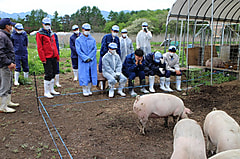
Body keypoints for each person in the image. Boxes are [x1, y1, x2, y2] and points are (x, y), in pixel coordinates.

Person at [36, 17, 60, 98]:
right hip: (47, 57)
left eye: (48, 24)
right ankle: (46, 91)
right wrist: (43, 58)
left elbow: (55, 45)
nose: (47, 26)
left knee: (54, 72)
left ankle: (52, 89)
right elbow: (40, 47)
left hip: (53, 56)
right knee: (48, 73)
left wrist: (57, 55)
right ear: (43, 24)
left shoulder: (52, 34)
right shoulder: (40, 34)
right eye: (46, 24)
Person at [0, 18, 19, 113]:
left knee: (8, 83)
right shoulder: (2, 36)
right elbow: (1, 52)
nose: (12, 27)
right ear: (7, 26)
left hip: (8, 64)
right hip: (4, 65)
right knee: (4, 84)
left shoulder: (6, 35)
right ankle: (3, 106)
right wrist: (8, 63)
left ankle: (8, 101)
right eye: (10, 25)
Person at [75, 23, 97, 97]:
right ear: (82, 29)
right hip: (83, 61)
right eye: (86, 29)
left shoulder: (92, 39)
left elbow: (94, 49)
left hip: (92, 60)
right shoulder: (78, 40)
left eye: (88, 30)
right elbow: (78, 51)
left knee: (91, 74)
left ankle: (89, 89)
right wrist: (85, 58)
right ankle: (85, 89)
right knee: (84, 75)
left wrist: (90, 57)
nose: (87, 31)